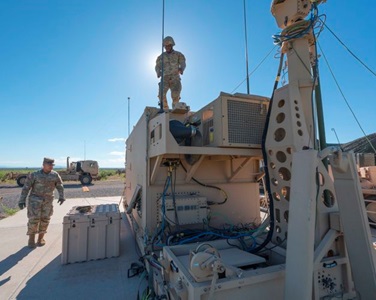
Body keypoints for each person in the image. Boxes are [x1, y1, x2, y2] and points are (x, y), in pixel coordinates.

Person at [18, 157, 65, 248]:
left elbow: (60, 186)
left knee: (45, 219)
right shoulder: (34, 175)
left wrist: (62, 196)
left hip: (48, 201)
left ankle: (40, 238)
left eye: (52, 165)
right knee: (33, 219)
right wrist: (22, 200)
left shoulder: (55, 175)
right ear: (43, 165)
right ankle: (31, 239)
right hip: (34, 202)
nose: (51, 166)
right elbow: (26, 188)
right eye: (49, 164)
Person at [155, 36, 186, 110]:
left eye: (169, 46)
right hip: (165, 78)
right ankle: (165, 109)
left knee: (175, 95)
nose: (167, 47)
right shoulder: (161, 57)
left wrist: (182, 68)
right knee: (161, 95)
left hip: (175, 78)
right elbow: (157, 66)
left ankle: (175, 109)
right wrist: (158, 72)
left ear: (172, 45)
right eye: (166, 46)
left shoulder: (178, 54)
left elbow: (183, 62)